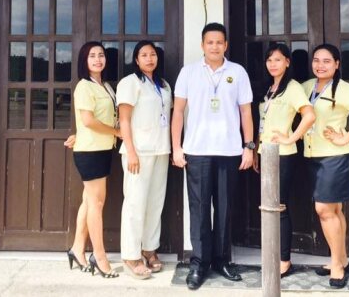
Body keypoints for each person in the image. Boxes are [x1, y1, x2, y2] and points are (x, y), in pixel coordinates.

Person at [171, 22, 255, 290]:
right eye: (210, 42)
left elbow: (246, 112)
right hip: (197, 151)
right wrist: (176, 147)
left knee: (225, 208)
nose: (215, 47)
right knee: (198, 209)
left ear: (226, 45)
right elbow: (177, 112)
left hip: (229, 151)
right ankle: (199, 263)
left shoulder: (237, 72)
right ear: (202, 45)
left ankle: (221, 260)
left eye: (219, 42)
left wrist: (249, 146)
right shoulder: (189, 72)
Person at [302, 43, 349, 288]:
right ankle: (342, 259)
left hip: (335, 157)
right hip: (312, 155)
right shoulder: (306, 87)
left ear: (336, 64)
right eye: (316, 60)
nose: (320, 65)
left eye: (326, 61)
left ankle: (336, 266)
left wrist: (345, 137)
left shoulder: (344, 89)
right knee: (334, 210)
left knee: (324, 209)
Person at [255, 43, 315, 277]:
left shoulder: (292, 88)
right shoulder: (269, 88)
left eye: (278, 59)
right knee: (268, 206)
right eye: (269, 60)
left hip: (283, 155)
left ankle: (284, 260)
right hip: (265, 152)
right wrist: (257, 149)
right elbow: (263, 122)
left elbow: (309, 115)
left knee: (279, 206)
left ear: (288, 62)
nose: (273, 64)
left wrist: (291, 138)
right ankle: (272, 254)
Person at [63, 41, 120, 278]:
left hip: (102, 148)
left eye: (101, 55)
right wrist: (117, 132)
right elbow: (87, 120)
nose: (98, 59)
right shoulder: (84, 87)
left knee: (89, 201)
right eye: (92, 56)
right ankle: (100, 256)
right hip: (90, 152)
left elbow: (105, 116)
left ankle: (77, 249)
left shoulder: (105, 85)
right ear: (84, 61)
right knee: (97, 204)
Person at [116, 41, 172, 280]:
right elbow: (124, 120)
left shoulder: (164, 85)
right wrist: (131, 151)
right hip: (138, 152)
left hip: (161, 150)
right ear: (136, 60)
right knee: (135, 203)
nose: (149, 58)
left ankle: (149, 248)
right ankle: (131, 255)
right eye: (144, 55)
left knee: (155, 203)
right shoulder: (130, 83)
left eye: (153, 54)